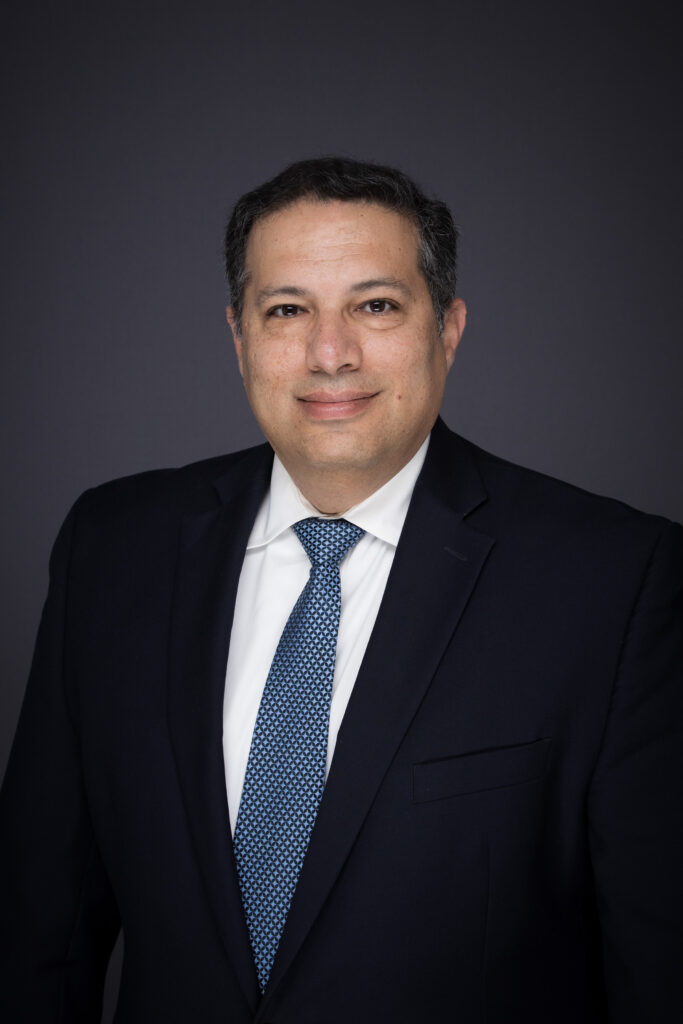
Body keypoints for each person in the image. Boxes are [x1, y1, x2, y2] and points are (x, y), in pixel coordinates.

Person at [0, 157, 681, 1024]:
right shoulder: (114, 546)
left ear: (449, 328)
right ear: (239, 336)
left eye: (375, 305)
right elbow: (36, 931)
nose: (331, 354)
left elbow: (658, 966)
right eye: (287, 310)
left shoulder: (614, 579)